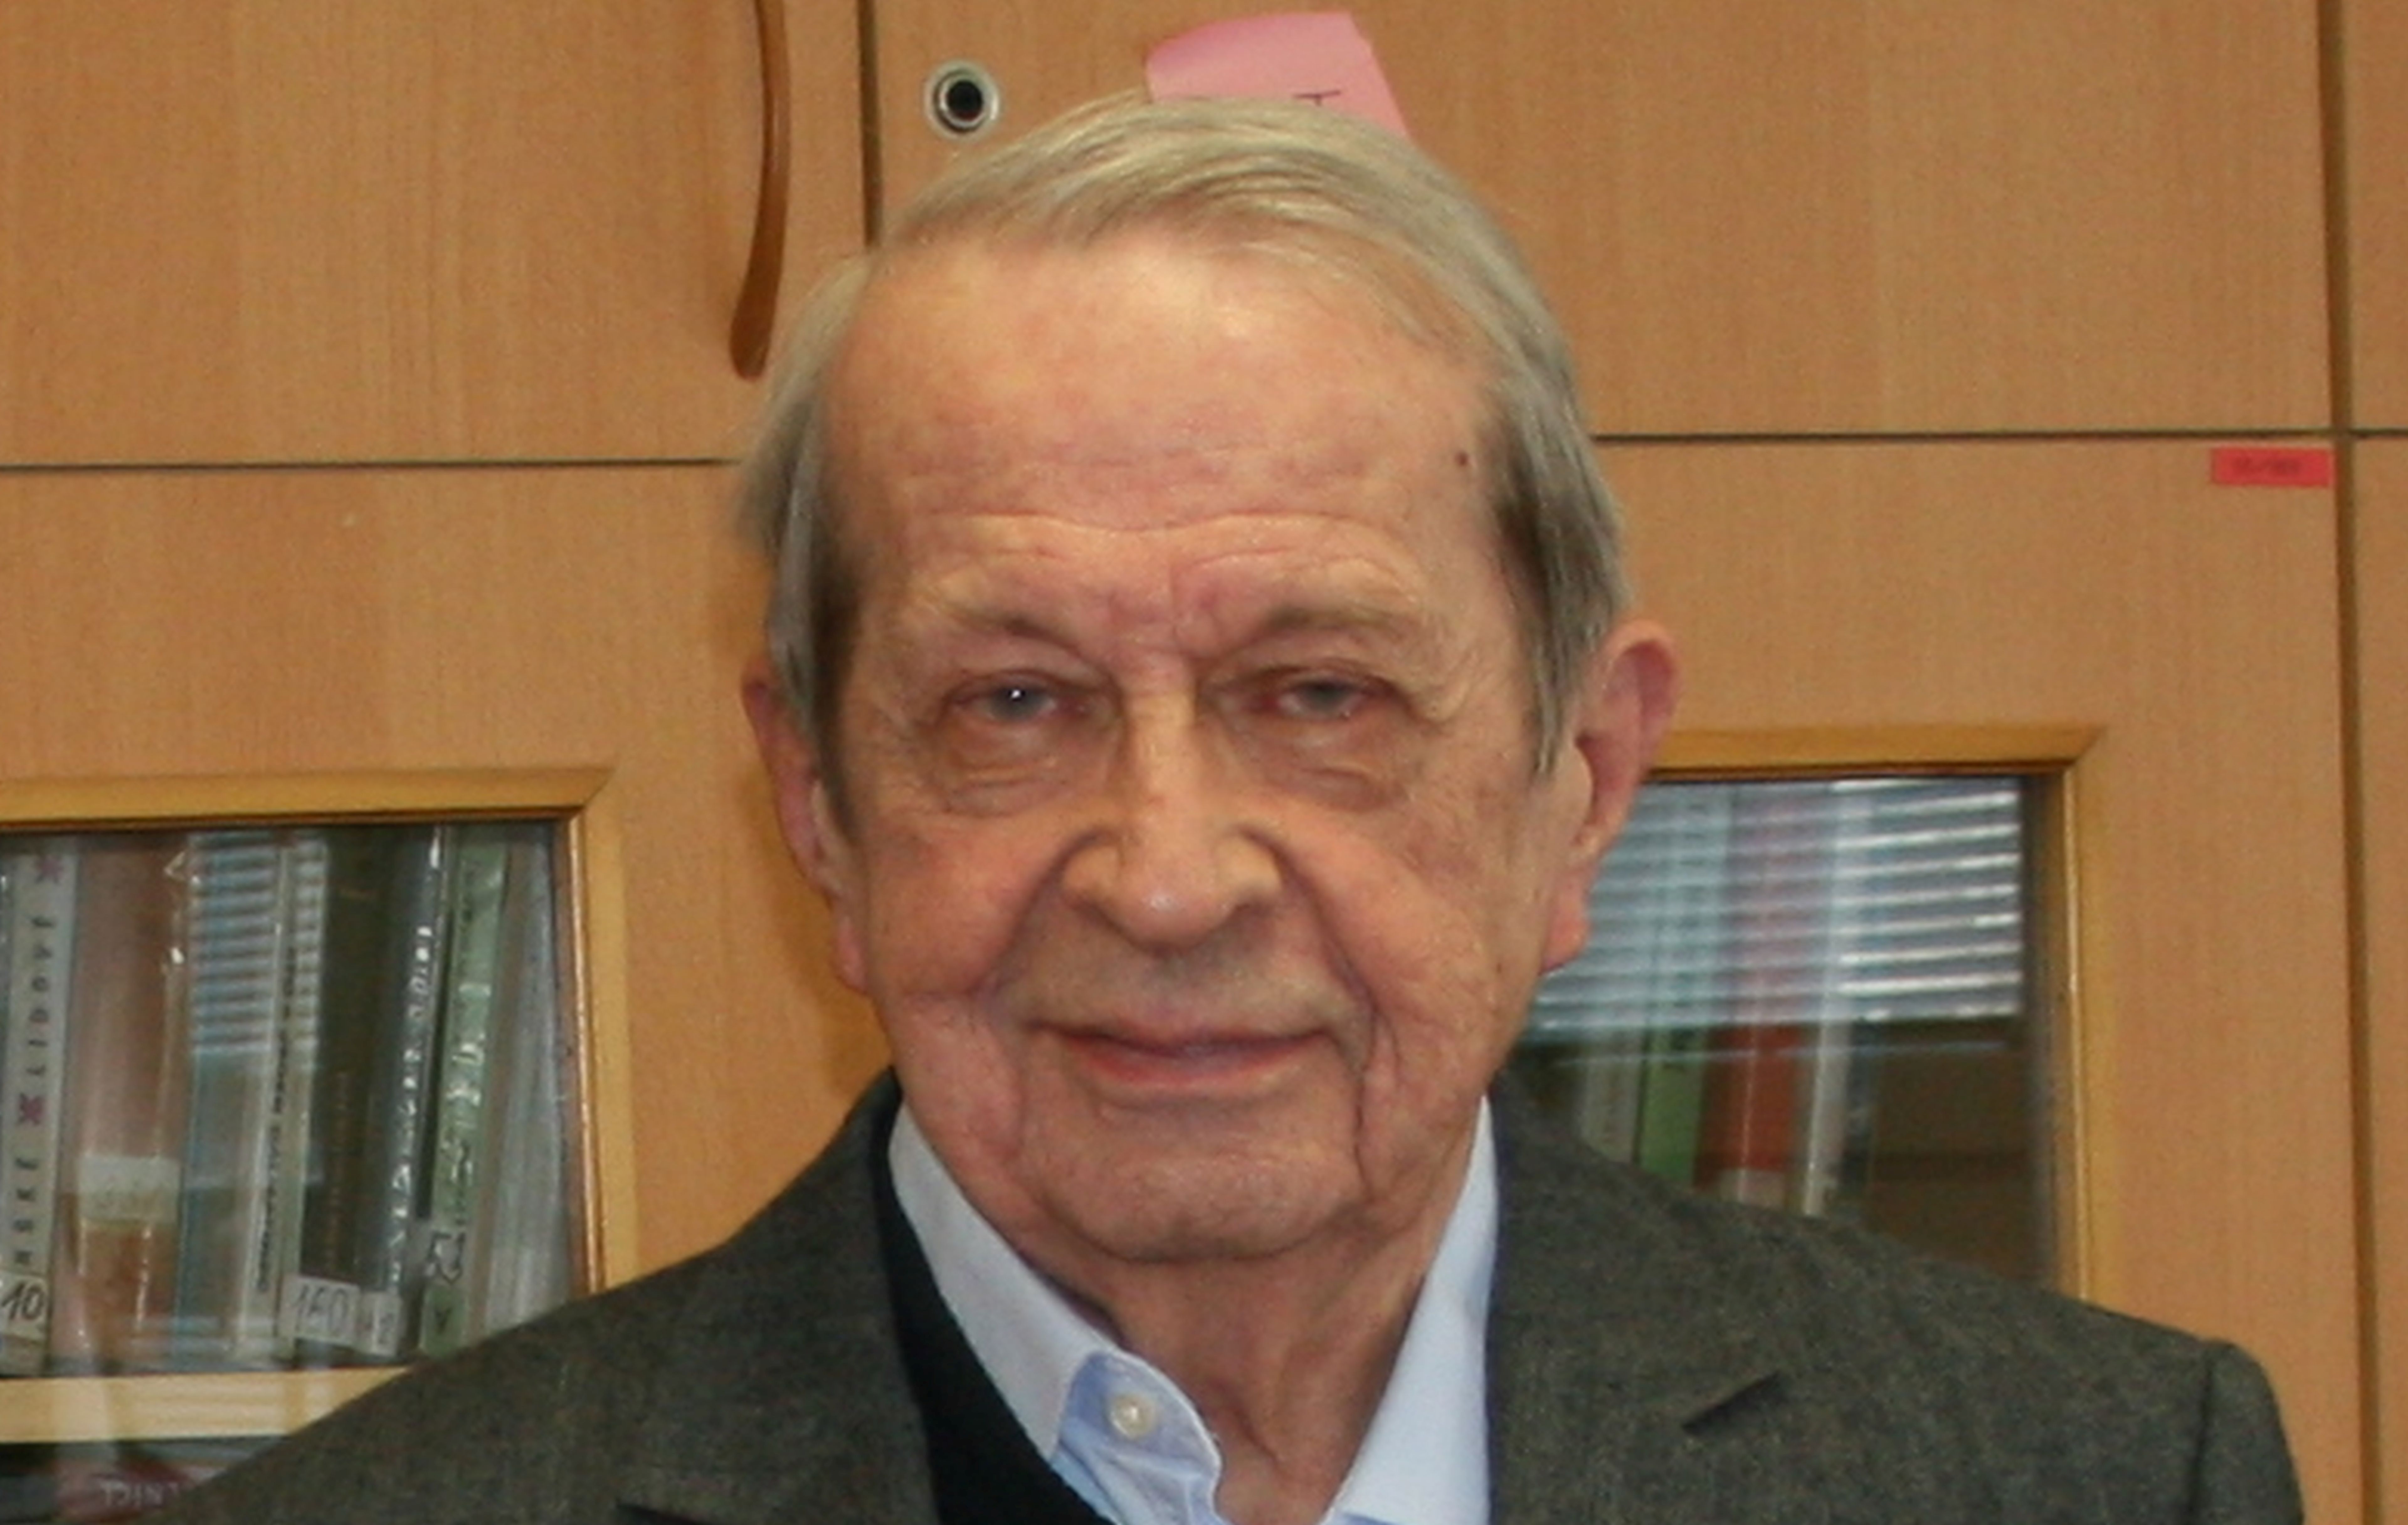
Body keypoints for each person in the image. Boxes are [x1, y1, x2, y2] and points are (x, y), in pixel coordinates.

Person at [153, 95, 2300, 1525]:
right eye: (1013, 702)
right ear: (818, 804)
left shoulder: (2098, 1476)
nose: (1170, 879)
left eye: (1320, 695)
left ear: (1582, 781)